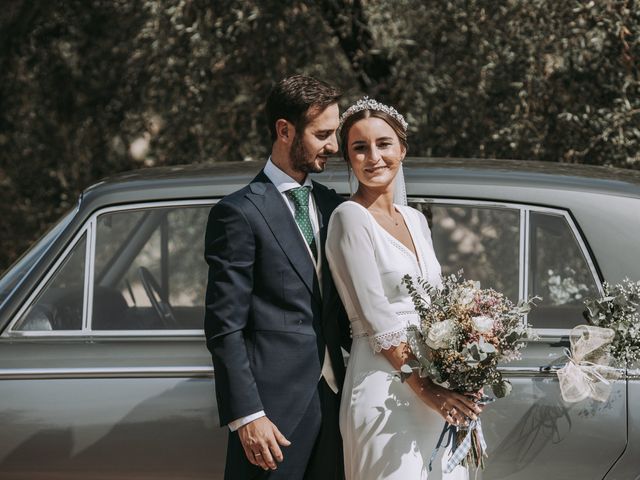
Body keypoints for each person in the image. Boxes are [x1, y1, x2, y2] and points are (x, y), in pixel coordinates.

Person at [326, 98, 483, 479]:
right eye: (359, 148)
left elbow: (439, 306)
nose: (373, 157)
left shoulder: (415, 219)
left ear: (402, 149)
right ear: (349, 159)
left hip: (434, 384)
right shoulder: (350, 218)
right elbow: (377, 316)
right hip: (386, 387)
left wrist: (463, 371)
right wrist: (428, 390)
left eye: (383, 144)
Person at [204, 75, 350, 480]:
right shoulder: (238, 213)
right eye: (322, 134)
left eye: (335, 132)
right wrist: (247, 415)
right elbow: (223, 327)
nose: (334, 146)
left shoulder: (332, 205)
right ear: (284, 131)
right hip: (271, 419)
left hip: (336, 408)